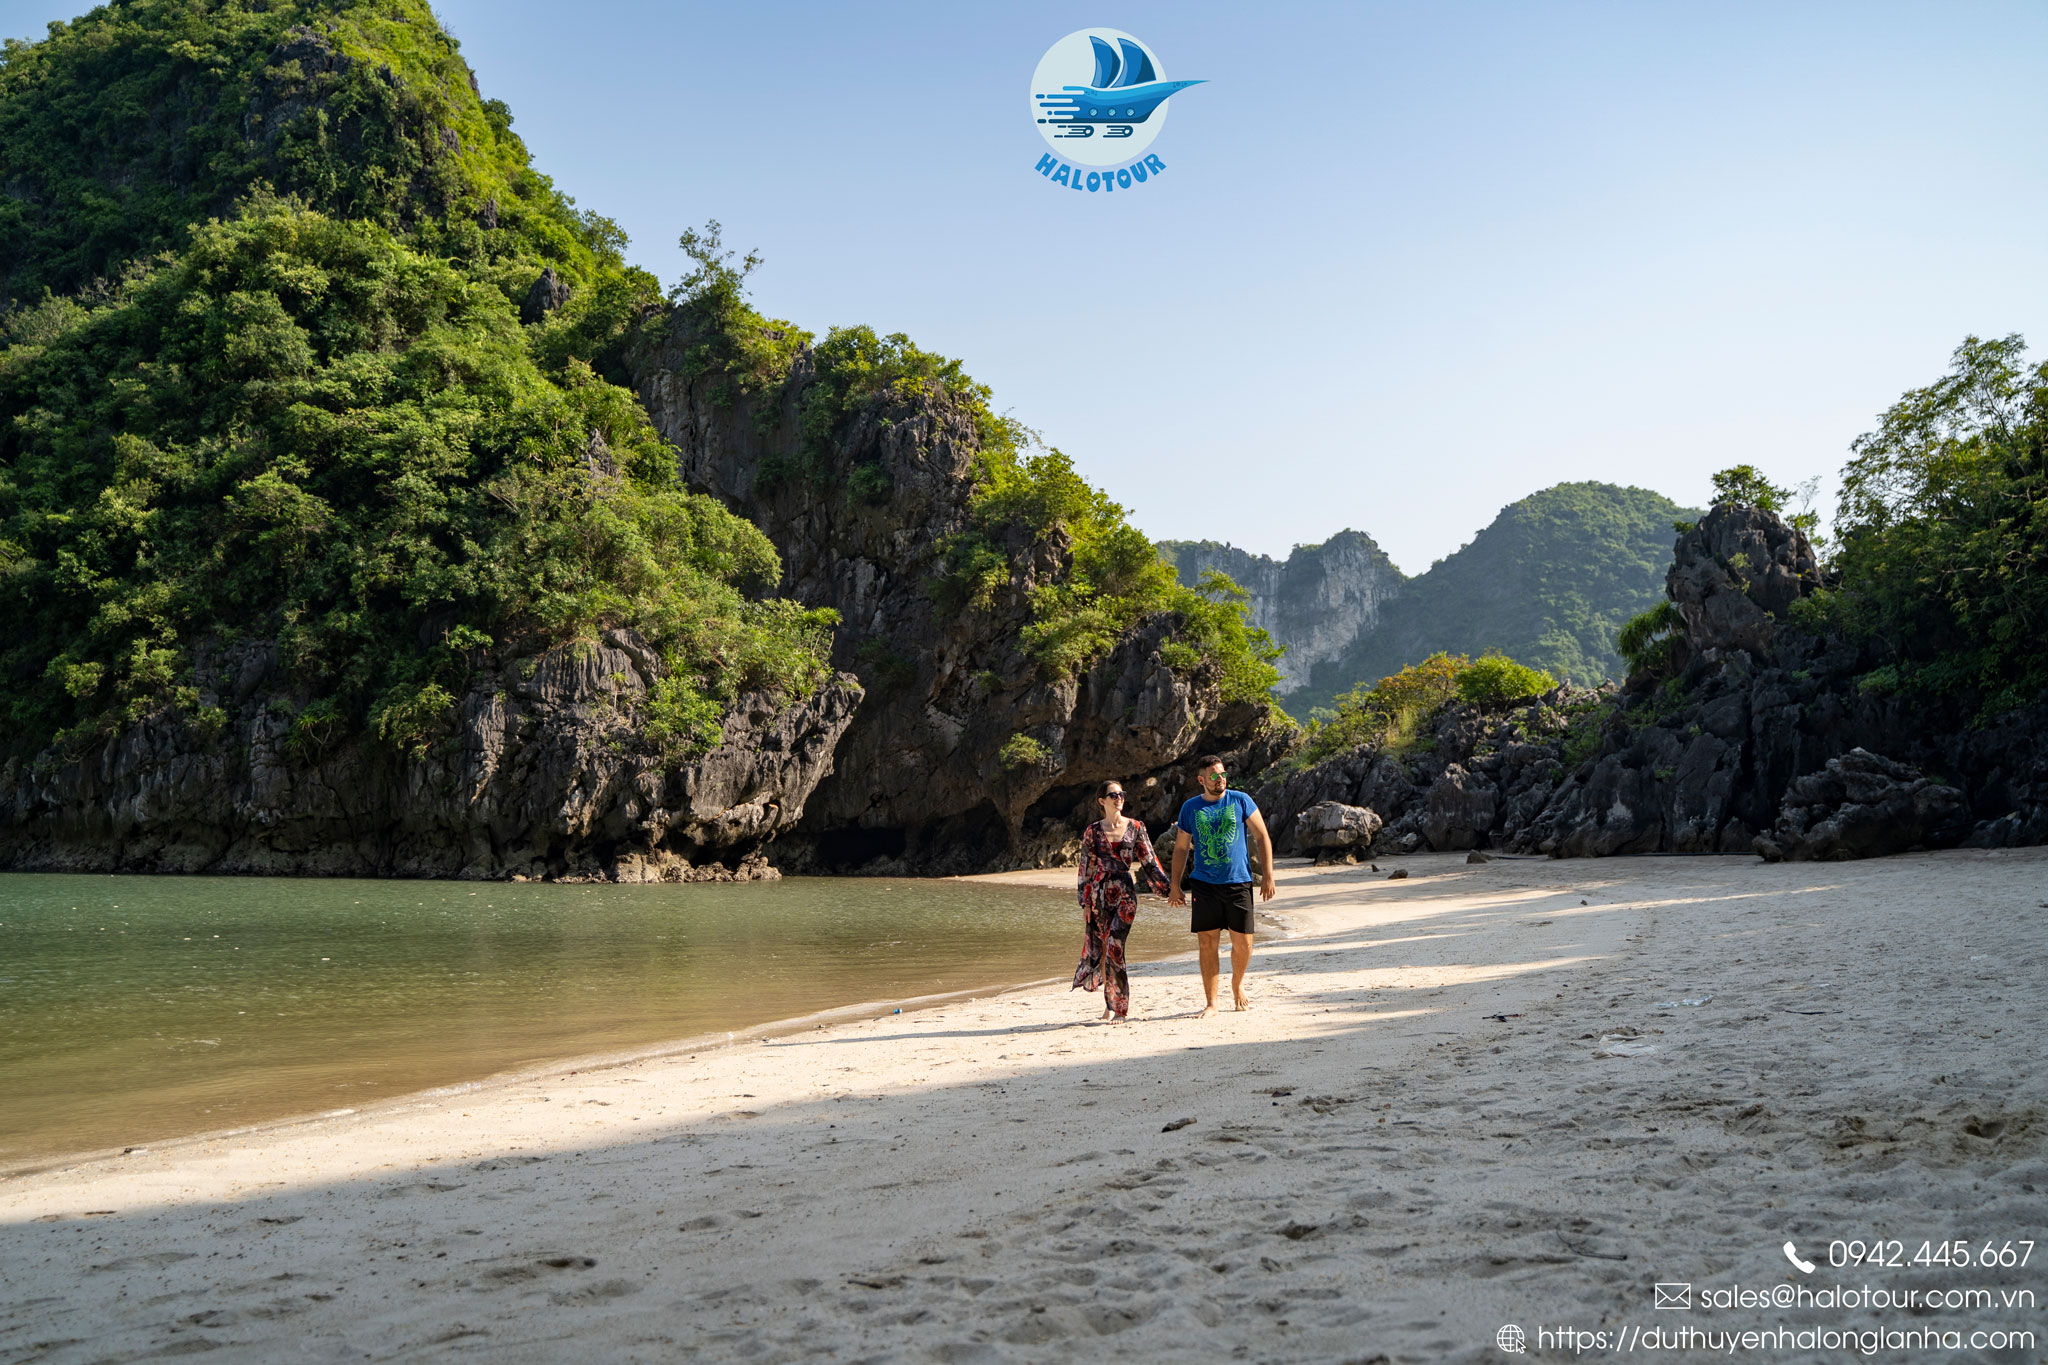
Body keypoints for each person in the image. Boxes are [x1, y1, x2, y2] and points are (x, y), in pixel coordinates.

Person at [1166, 755, 1276, 1015]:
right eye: (1214, 776)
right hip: (1204, 884)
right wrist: (1175, 885)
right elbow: (1181, 849)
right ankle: (1212, 1003)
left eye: (1223, 774)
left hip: (1238, 881)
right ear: (1201, 780)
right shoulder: (1190, 808)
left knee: (1244, 943)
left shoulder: (1241, 800)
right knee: (1207, 944)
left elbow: (1262, 836)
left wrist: (1268, 875)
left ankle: (1237, 984)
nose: (1220, 779)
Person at [1072, 778, 1168, 1023]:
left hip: (1125, 893)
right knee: (1105, 949)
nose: (1119, 799)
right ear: (1101, 801)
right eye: (1113, 795)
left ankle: (1120, 1009)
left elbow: (1150, 862)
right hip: (1099, 895)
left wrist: (1169, 890)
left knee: (1115, 947)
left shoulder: (1136, 827)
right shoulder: (1092, 831)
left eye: (1121, 794)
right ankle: (1109, 1003)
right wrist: (1085, 903)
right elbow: (1086, 869)